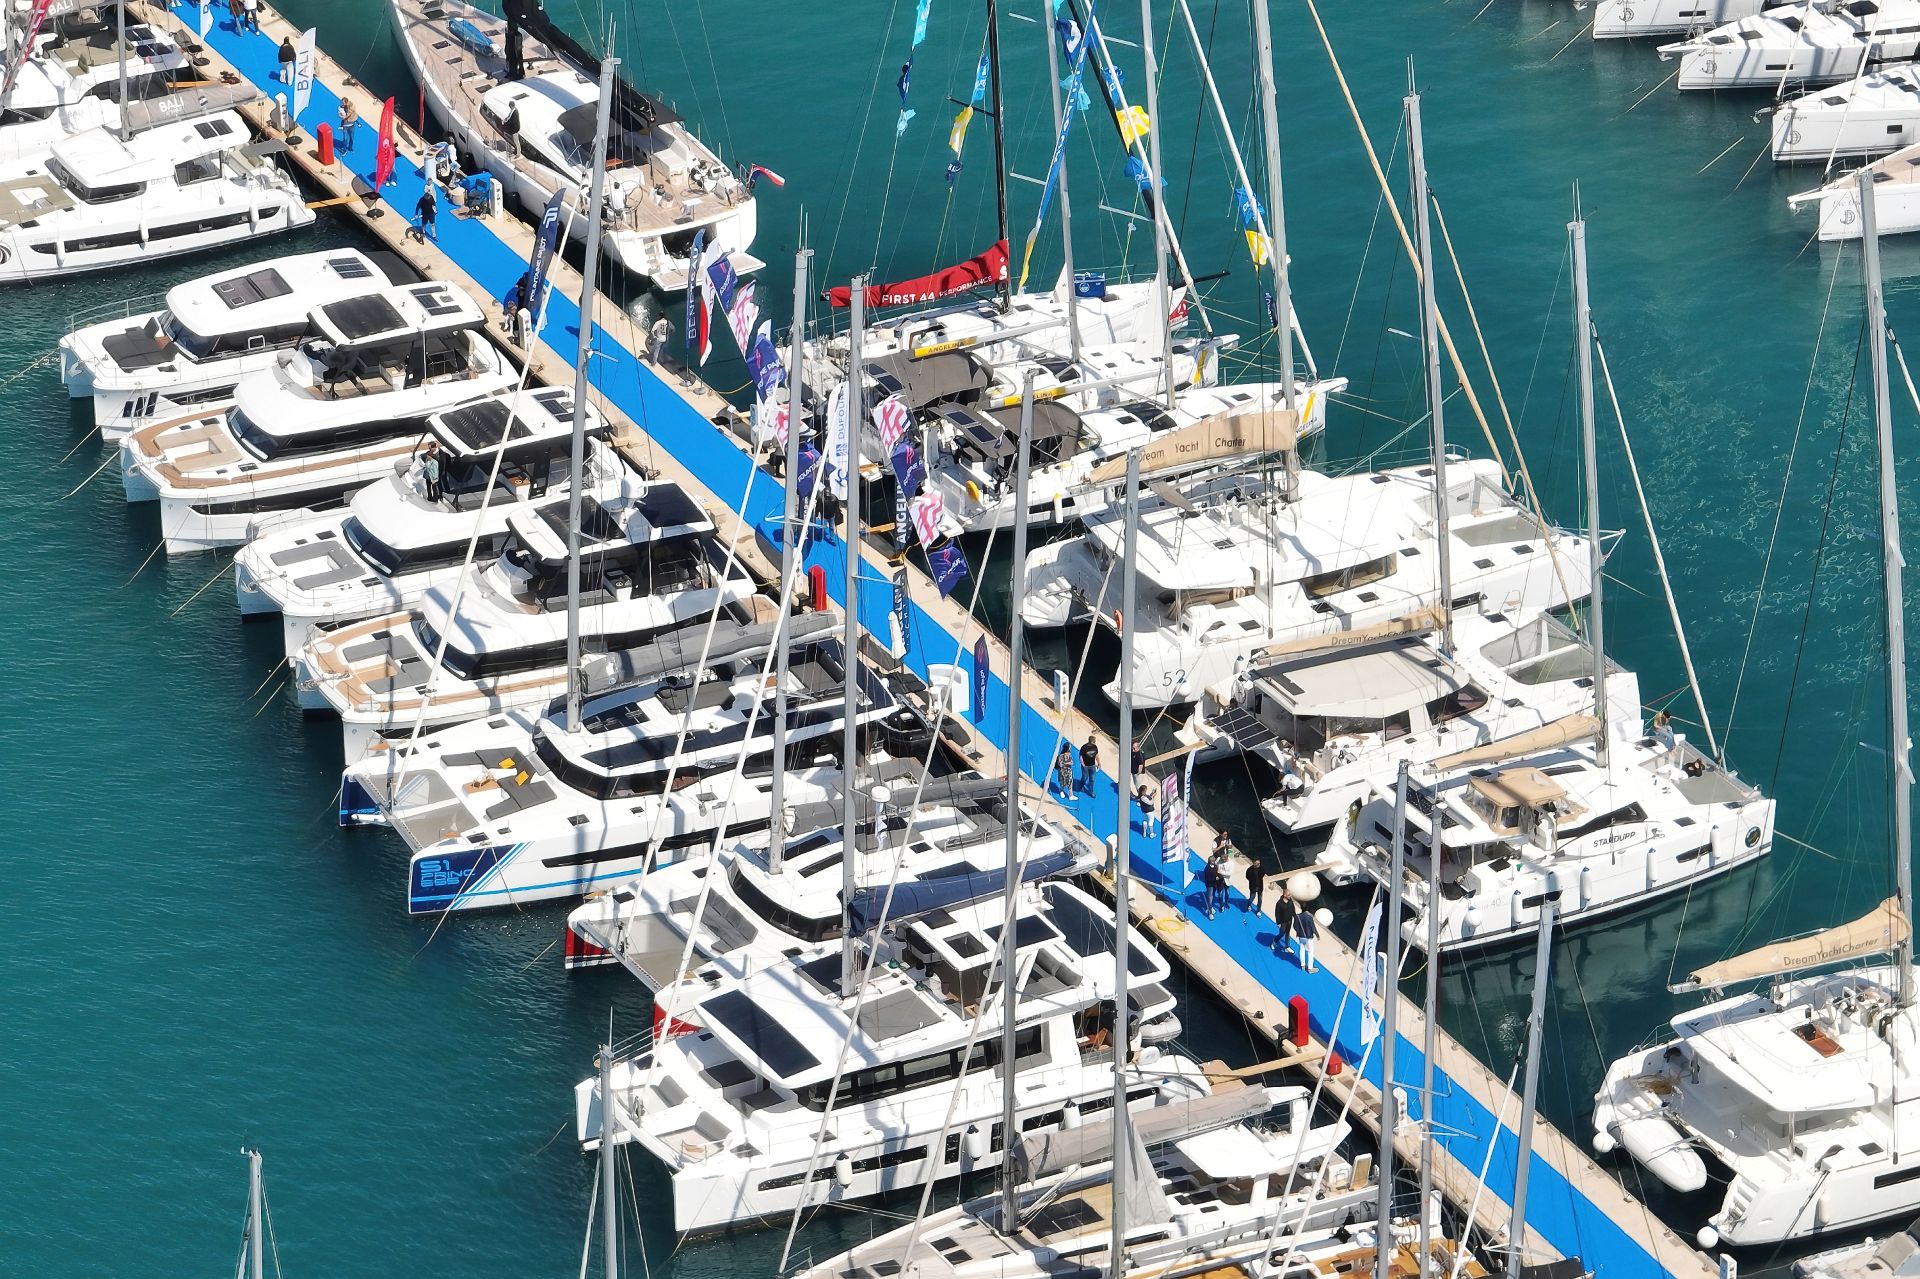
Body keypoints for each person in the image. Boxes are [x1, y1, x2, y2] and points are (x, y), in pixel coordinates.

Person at [1292, 903, 1320, 973]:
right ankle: (1310, 968)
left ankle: (1303, 965)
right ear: (1307, 909)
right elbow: (1313, 927)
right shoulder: (1309, 917)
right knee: (1310, 952)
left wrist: (1299, 931)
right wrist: (1317, 935)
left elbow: (1294, 926)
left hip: (1301, 936)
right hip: (1308, 937)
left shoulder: (1297, 916)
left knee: (1302, 950)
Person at [1272, 886, 1298, 959]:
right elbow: (1277, 913)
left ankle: (1287, 947)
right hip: (1283, 922)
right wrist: (1278, 923)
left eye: (1290, 894)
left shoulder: (1290, 901)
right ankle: (1274, 941)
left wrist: (1295, 916)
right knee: (1281, 933)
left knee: (1287, 933)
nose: (1290, 896)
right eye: (1289, 895)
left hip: (1289, 921)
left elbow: (1293, 909)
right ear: (1284, 895)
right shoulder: (1279, 903)